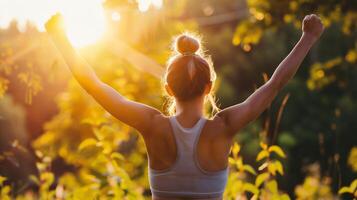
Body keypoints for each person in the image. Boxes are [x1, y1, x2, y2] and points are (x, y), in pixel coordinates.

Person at [45, 13, 324, 200]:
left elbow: (94, 85)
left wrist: (60, 38)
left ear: (167, 88)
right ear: (209, 87)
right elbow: (274, 85)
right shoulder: (224, 127)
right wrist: (308, 38)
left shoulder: (152, 126)